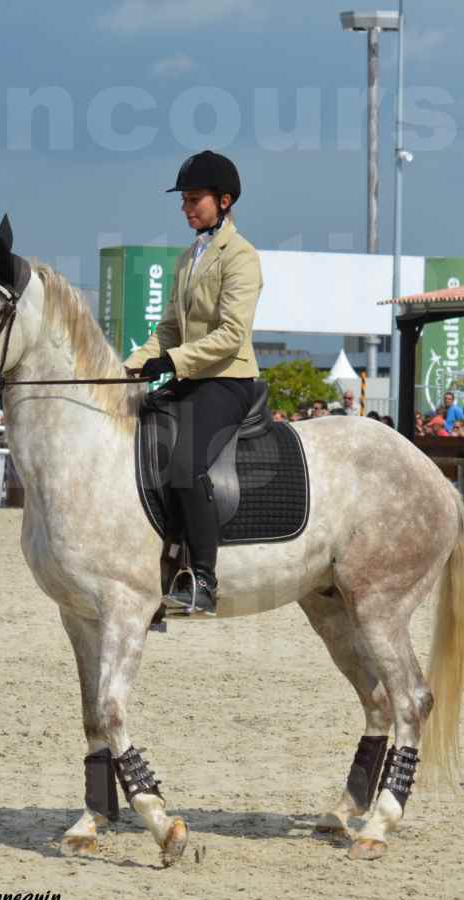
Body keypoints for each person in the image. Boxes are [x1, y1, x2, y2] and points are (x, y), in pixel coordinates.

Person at [125, 150, 263, 614]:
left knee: (186, 464)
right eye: (184, 200)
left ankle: (202, 579)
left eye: (194, 199)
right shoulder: (189, 258)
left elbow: (230, 335)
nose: (187, 208)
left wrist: (171, 360)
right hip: (189, 376)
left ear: (224, 201)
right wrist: (132, 364)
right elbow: (168, 327)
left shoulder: (241, 257)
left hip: (227, 379)